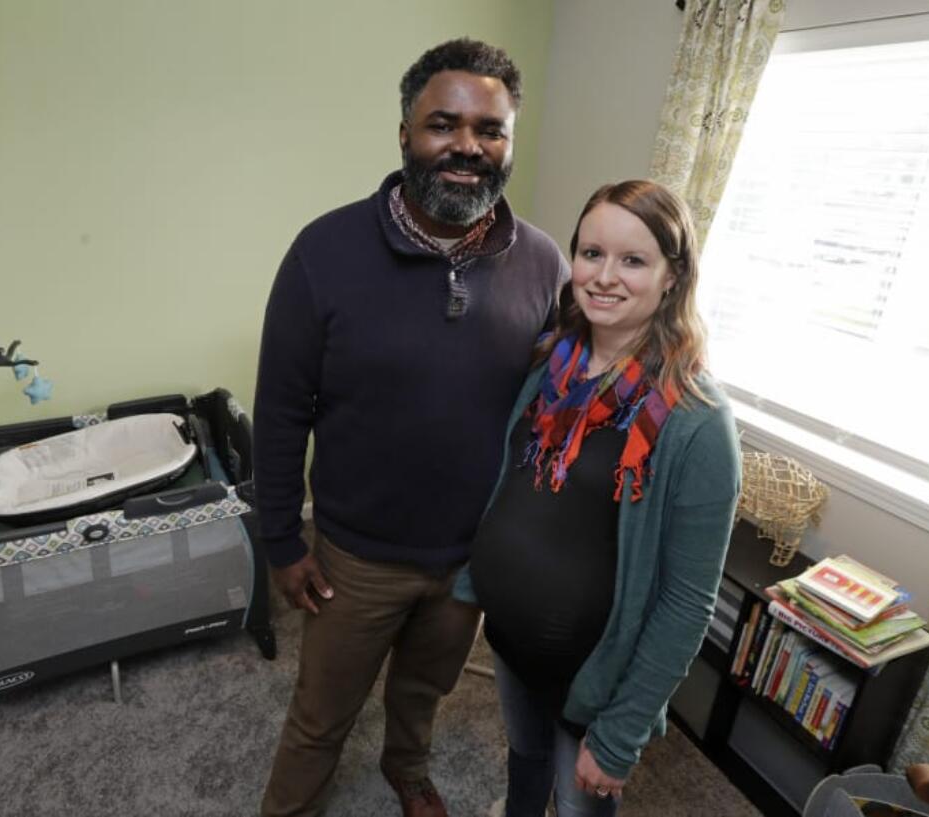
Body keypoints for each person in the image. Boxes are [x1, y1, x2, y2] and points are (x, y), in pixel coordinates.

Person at [254, 38, 569, 817]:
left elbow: (550, 403)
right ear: (405, 135)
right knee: (321, 714)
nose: (467, 146)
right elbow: (281, 406)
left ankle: (408, 768)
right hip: (355, 557)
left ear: (508, 143)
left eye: (489, 130)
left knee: (424, 688)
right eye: (444, 124)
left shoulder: (543, 262)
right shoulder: (323, 251)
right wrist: (281, 541)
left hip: (469, 556)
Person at [457, 180, 742, 817]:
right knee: (524, 757)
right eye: (591, 254)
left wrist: (619, 738)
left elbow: (687, 603)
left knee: (581, 801)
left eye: (633, 260)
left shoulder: (697, 421)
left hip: (592, 675)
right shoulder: (552, 362)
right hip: (510, 639)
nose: (604, 276)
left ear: (673, 276)